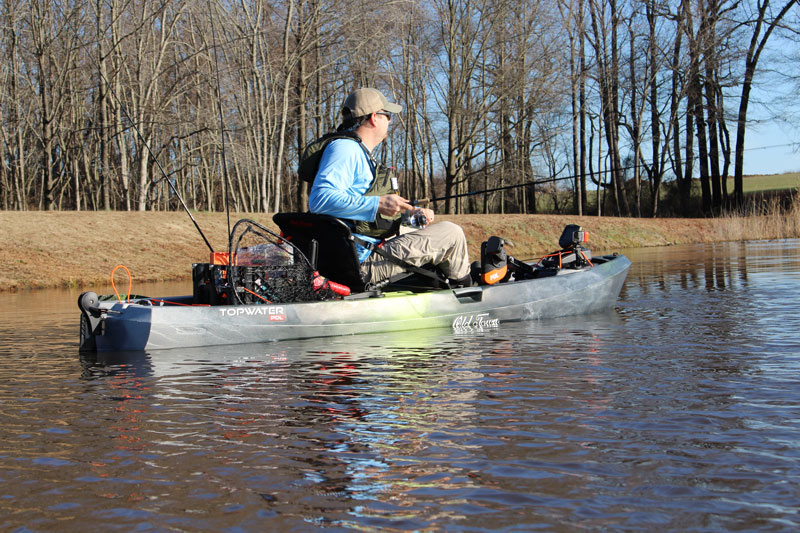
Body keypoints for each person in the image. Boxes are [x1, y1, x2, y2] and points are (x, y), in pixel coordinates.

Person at [308, 87, 472, 288]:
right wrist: (377, 203)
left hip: (360, 253)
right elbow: (320, 200)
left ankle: (451, 287)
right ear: (374, 117)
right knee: (451, 233)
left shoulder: (359, 152)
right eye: (387, 115)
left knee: (425, 231)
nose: (390, 121)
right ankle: (468, 296)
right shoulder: (345, 148)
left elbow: (358, 213)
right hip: (362, 263)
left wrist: (409, 215)